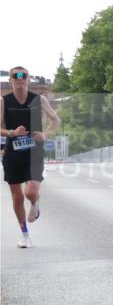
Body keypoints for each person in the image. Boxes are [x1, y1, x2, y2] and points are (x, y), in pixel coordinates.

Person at [2, 67, 61, 248]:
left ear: (28, 79)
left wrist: (45, 134)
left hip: (34, 151)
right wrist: (11, 132)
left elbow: (56, 120)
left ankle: (35, 203)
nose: (20, 79)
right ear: (11, 80)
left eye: (24, 76)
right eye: (16, 76)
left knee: (30, 193)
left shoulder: (39, 99)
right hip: (12, 152)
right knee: (17, 197)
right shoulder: (3, 101)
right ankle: (25, 234)